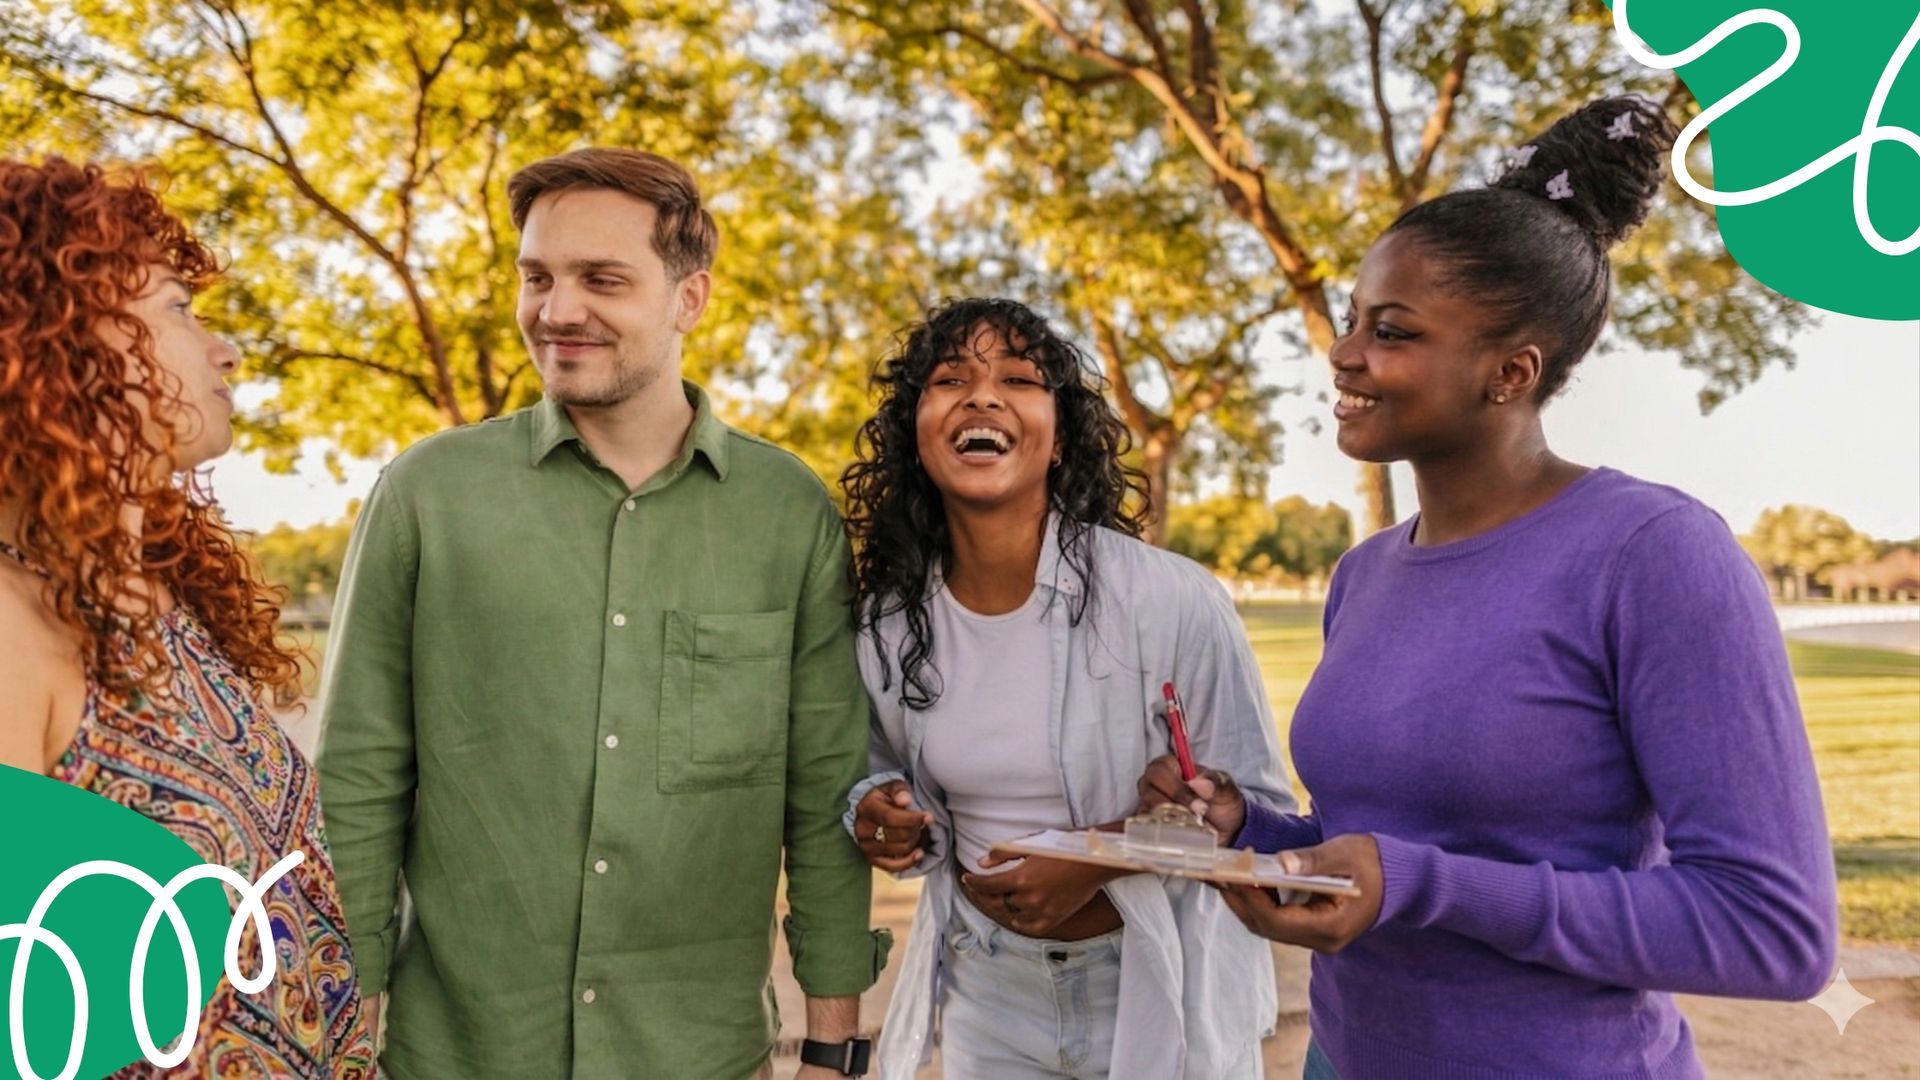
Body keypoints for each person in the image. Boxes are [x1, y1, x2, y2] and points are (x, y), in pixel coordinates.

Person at [1138, 96, 1839, 1079]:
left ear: (1510, 373)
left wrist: (1424, 887)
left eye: (1392, 331)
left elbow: (1775, 932)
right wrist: (1247, 831)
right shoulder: (1366, 573)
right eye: (1349, 323)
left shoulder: (1656, 554)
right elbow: (1380, 844)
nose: (1344, 355)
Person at [316, 147, 888, 1080]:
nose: (558, 309)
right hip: (457, 1056)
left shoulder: (788, 513)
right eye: (537, 277)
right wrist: (344, 1030)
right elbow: (360, 781)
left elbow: (824, 795)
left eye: (601, 280)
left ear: (688, 299)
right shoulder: (426, 494)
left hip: (697, 1057)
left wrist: (831, 1047)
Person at [840, 297, 1294, 1079]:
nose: (982, 395)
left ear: (1059, 440)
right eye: (950, 379)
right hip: (987, 989)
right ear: (916, 434)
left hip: (1154, 986)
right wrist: (877, 805)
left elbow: (1262, 813)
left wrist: (1104, 856)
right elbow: (875, 763)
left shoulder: (1171, 599)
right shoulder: (887, 623)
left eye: (1018, 378)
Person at [0, 157, 375, 1077]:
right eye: (176, 307)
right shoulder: (11, 632)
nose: (225, 350)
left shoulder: (164, 597)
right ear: (54, 339)